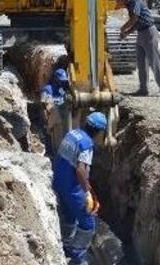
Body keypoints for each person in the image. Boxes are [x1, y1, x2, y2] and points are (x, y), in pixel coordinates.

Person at [52, 112, 107, 265]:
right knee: (88, 222)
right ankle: (77, 257)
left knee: (70, 216)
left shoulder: (72, 134)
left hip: (59, 182)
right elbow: (80, 170)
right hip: (72, 187)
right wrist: (87, 191)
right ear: (99, 131)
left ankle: (67, 245)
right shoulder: (86, 145)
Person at [114, 0, 160, 96]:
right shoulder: (129, 3)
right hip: (141, 32)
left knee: (154, 60)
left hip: (149, 32)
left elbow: (135, 19)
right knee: (141, 62)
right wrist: (127, 32)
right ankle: (143, 89)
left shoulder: (134, 0)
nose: (118, 3)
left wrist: (123, 29)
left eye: (118, 0)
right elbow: (137, 22)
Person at [41, 68, 71, 149]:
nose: (62, 82)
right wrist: (46, 120)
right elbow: (44, 106)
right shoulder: (47, 89)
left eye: (63, 81)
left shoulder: (61, 90)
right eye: (61, 80)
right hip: (53, 118)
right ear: (56, 79)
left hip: (63, 118)